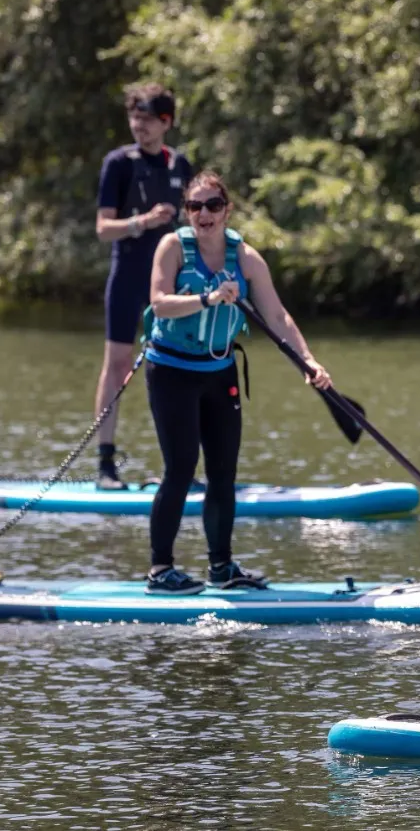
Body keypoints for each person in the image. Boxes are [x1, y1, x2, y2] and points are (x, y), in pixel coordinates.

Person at [141, 171, 332, 594]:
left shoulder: (245, 257)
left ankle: (221, 567)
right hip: (171, 371)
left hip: (219, 372)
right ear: (187, 211)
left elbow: (278, 317)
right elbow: (159, 304)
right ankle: (160, 570)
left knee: (223, 473)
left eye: (213, 205)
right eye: (195, 206)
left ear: (227, 210)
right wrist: (207, 298)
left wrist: (307, 360)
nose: (203, 214)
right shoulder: (172, 247)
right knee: (180, 469)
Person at [92, 83, 194, 489]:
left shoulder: (180, 165)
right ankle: (105, 466)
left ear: (166, 122)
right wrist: (143, 222)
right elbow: (103, 229)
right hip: (129, 276)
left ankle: (179, 468)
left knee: (175, 368)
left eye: (147, 119)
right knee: (118, 365)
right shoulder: (118, 163)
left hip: (169, 282)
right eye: (134, 118)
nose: (139, 126)